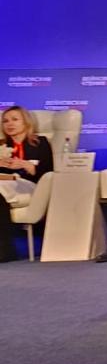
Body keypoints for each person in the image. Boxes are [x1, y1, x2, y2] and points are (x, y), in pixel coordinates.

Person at [0, 106, 54, 262]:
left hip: (30, 185)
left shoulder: (40, 143)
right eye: (5, 121)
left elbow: (48, 172)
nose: (10, 124)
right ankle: (6, 251)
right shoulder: (1, 146)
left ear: (26, 122)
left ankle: (5, 250)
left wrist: (26, 165)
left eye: (15, 120)